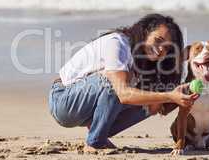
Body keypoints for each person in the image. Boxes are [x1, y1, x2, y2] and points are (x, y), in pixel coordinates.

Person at [48, 14, 198, 151]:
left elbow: (160, 109)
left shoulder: (146, 61)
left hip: (86, 106)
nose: (160, 50)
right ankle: (96, 141)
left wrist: (184, 90)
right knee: (116, 84)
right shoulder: (118, 43)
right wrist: (169, 96)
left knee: (154, 101)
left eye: (166, 48)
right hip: (64, 100)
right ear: (145, 32)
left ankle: (98, 132)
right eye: (158, 41)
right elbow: (123, 94)